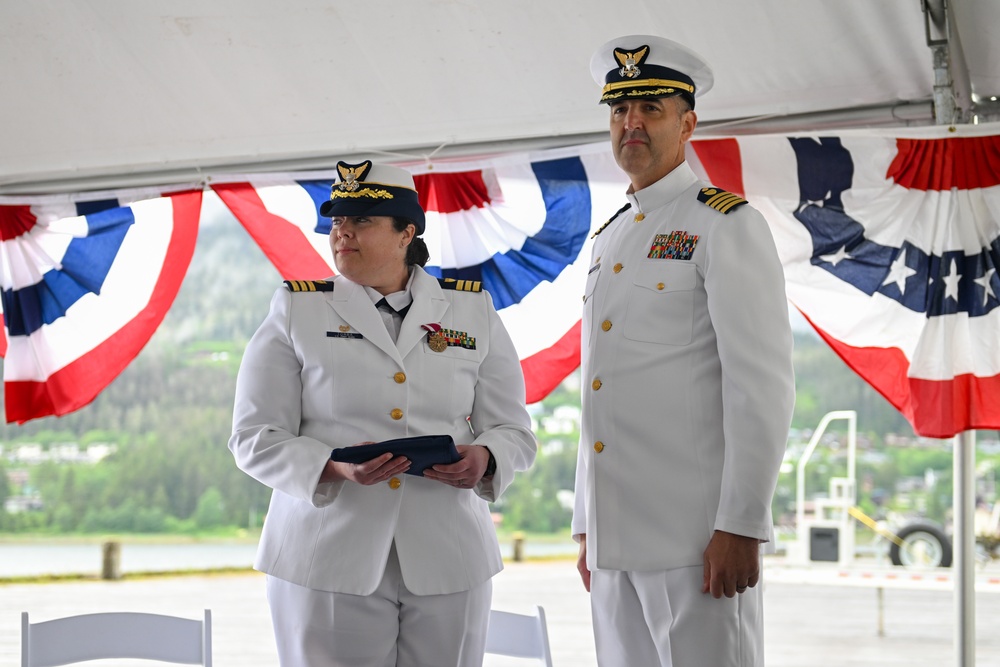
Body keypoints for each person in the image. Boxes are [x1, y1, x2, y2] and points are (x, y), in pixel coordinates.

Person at [230, 160, 536, 667]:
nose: (342, 232)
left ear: (407, 233)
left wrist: (486, 456)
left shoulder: (472, 310)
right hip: (325, 555)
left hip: (449, 557)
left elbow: (514, 431)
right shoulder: (296, 309)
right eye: (336, 221)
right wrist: (332, 465)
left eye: (361, 221)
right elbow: (253, 436)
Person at [571, 35, 796, 666]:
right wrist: (588, 524)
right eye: (619, 110)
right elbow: (601, 389)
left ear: (688, 123)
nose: (631, 123)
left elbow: (761, 386)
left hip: (696, 542)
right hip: (616, 546)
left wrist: (743, 524)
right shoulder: (610, 239)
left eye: (651, 108)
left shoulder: (725, 224)